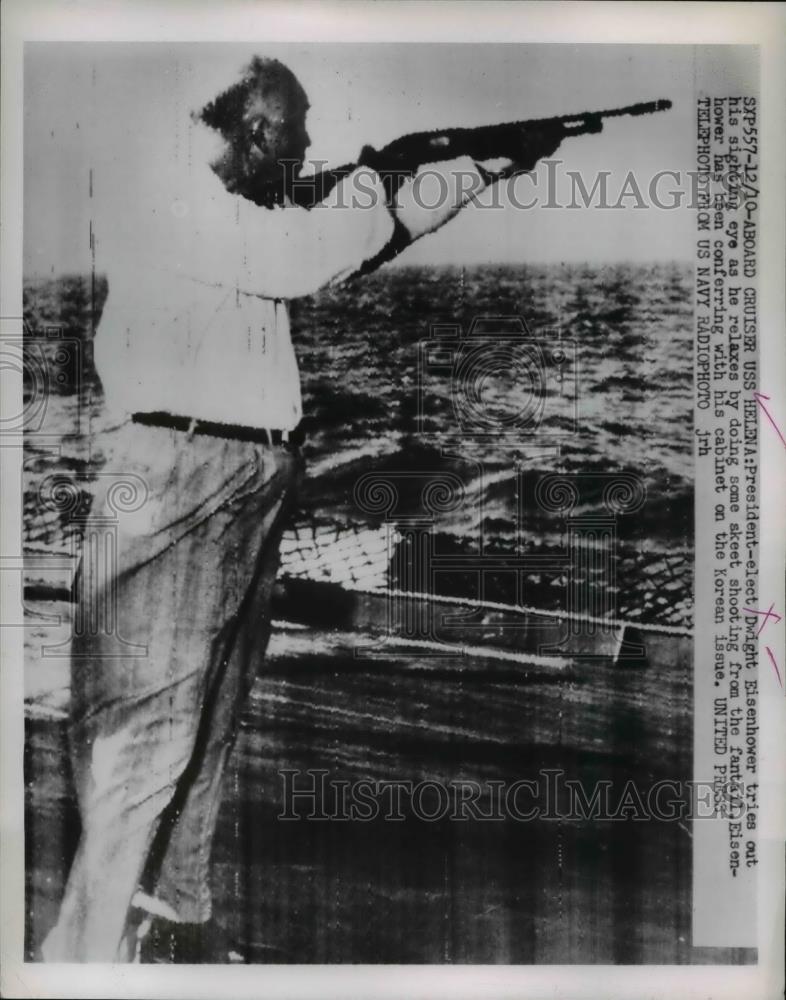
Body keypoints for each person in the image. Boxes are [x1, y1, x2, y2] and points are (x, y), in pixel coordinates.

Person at [41, 55, 562, 963]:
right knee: (146, 735)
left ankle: (173, 925)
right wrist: (376, 171)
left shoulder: (243, 207)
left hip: (245, 475)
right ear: (256, 130)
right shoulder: (169, 191)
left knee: (212, 714)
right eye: (300, 128)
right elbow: (309, 252)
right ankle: (78, 960)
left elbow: (367, 239)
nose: (311, 144)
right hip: (177, 472)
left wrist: (483, 167)